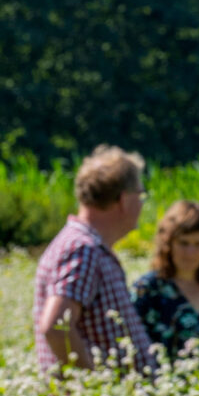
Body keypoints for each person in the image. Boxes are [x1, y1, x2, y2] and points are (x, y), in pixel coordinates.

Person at [33, 145, 156, 374]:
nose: (141, 204)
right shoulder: (82, 249)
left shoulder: (87, 246)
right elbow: (56, 327)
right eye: (140, 195)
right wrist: (93, 386)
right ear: (124, 200)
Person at [132, 200, 199, 373]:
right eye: (183, 243)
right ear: (168, 244)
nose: (191, 253)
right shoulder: (148, 288)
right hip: (165, 390)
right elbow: (134, 349)